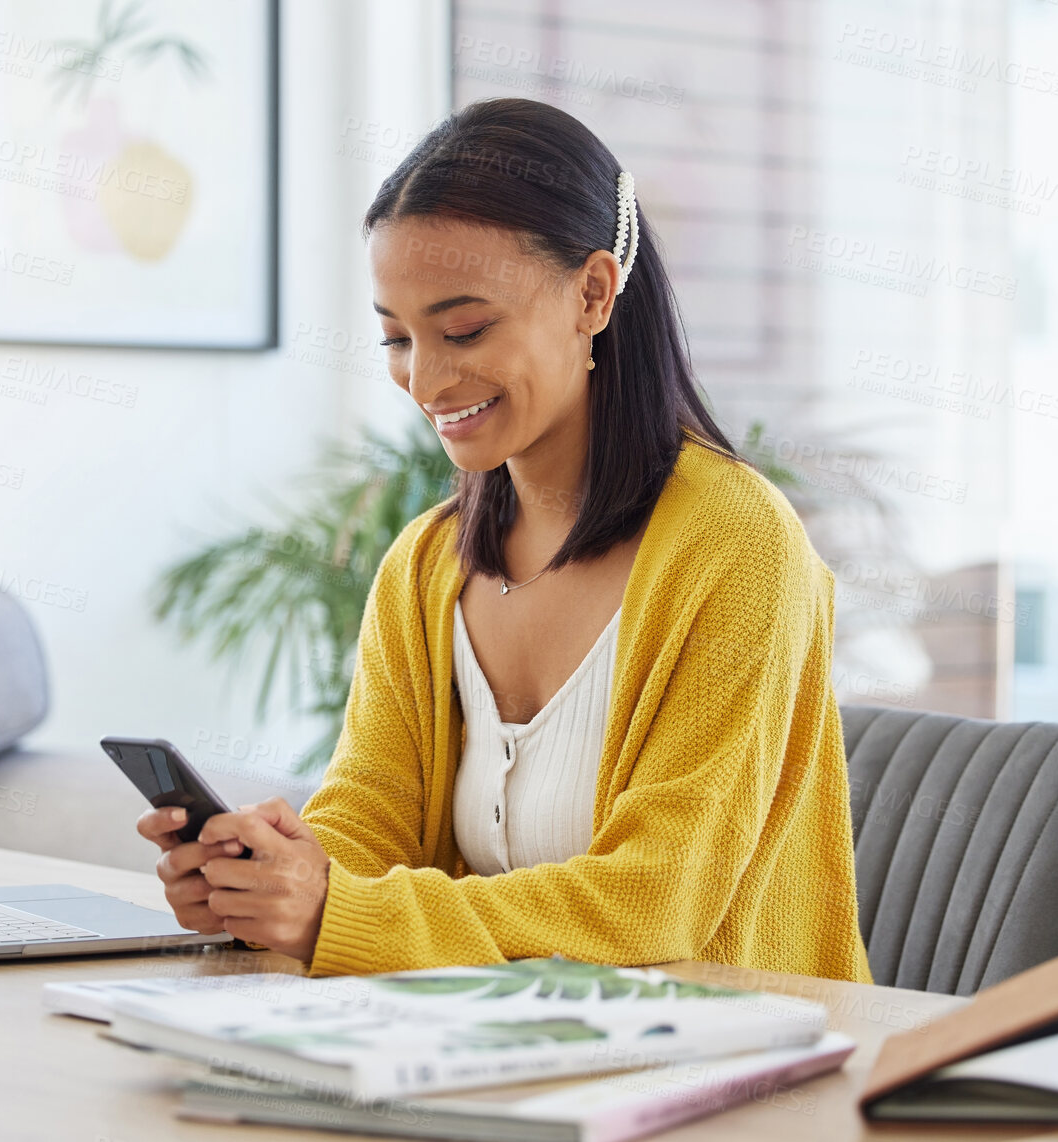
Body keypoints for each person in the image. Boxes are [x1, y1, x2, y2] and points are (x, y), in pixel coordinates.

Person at [138, 97, 873, 984]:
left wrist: (343, 911)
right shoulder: (426, 561)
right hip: (498, 1046)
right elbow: (372, 815)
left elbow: (658, 899)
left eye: (465, 329)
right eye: (396, 337)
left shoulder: (737, 544)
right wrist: (275, 883)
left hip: (725, 1065)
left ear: (592, 294)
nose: (428, 379)